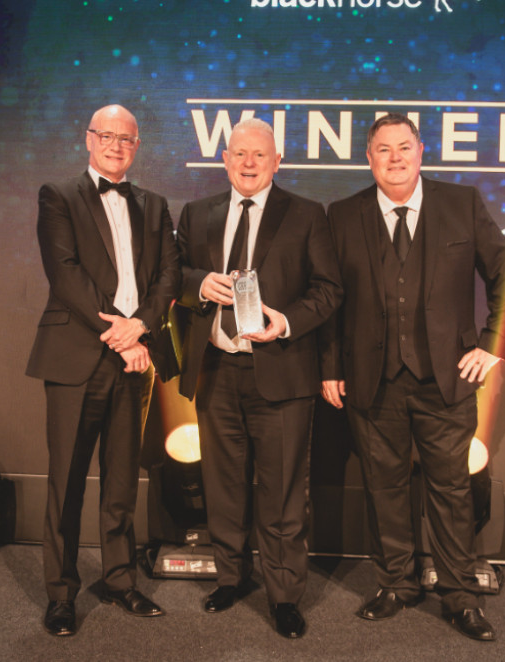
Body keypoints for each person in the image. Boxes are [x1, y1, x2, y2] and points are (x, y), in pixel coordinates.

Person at [319, 113, 505, 642]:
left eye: (403, 147)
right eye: (383, 149)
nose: (394, 158)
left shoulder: (462, 203)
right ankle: (396, 585)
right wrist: (331, 367)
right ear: (368, 158)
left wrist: (492, 345)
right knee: (383, 488)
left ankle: (460, 596)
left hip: (445, 380)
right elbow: (330, 299)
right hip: (371, 379)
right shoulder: (342, 215)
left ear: (421, 150)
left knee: (451, 491)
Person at [176, 118, 342, 639]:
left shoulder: (307, 215)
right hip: (217, 370)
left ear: (277, 163)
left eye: (260, 155)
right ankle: (231, 578)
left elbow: (329, 289)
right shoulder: (197, 213)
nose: (249, 163)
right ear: (225, 159)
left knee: (284, 493)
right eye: (240, 154)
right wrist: (199, 282)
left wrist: (286, 321)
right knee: (222, 488)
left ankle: (285, 595)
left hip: (283, 372)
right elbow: (171, 277)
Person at [26, 104, 179, 636]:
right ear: (88, 139)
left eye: (127, 139)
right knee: (66, 482)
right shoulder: (58, 196)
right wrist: (120, 335)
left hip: (137, 358)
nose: (116, 145)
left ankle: (120, 580)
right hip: (79, 358)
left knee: (121, 481)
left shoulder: (155, 205)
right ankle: (61, 595)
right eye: (107, 136)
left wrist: (141, 328)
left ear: (137, 146)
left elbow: (168, 276)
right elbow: (64, 274)